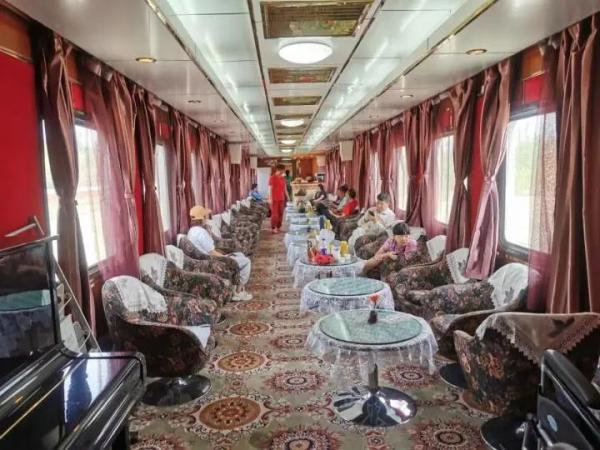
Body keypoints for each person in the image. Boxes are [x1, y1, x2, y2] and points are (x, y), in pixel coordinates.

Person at [187, 206, 253, 301]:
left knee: (240, 255)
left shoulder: (192, 231)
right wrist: (226, 257)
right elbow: (212, 252)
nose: (207, 218)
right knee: (246, 262)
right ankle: (238, 291)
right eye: (206, 216)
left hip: (205, 260)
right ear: (202, 218)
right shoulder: (201, 233)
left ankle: (235, 287)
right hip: (213, 261)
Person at [269, 164, 289, 233]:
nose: (283, 172)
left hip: (281, 198)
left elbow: (285, 189)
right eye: (283, 170)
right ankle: (273, 227)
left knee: (281, 213)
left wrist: (288, 197)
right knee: (275, 214)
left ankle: (278, 226)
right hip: (274, 199)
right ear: (279, 170)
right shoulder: (272, 178)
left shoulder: (283, 178)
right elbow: (270, 189)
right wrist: (270, 198)